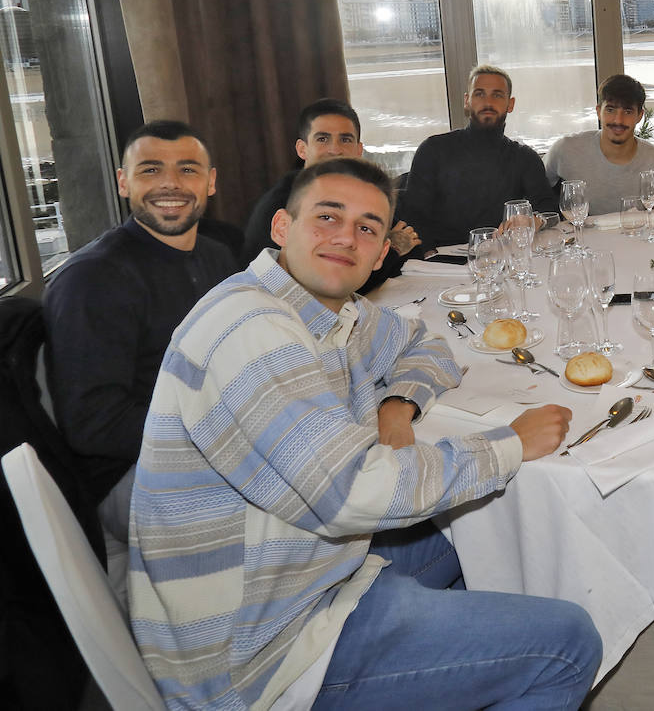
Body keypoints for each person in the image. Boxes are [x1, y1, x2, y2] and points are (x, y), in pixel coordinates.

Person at [127, 157, 600, 710]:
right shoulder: (252, 331)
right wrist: (510, 443)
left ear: (381, 253)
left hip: (307, 570)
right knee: (567, 642)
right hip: (259, 652)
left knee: (472, 531)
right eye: (327, 217)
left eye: (367, 228)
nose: (345, 237)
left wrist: (396, 408)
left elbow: (423, 344)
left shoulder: (326, 309)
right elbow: (355, 494)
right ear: (282, 228)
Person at [43, 120, 236, 543]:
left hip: (211, 444)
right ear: (123, 182)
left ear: (211, 183)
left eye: (188, 170)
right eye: (150, 170)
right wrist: (227, 435)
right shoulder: (92, 279)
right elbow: (94, 423)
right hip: (130, 474)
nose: (171, 184)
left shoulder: (218, 258)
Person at [240, 98, 420, 293]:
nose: (335, 149)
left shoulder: (357, 192)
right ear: (302, 149)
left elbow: (413, 243)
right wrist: (393, 250)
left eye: (345, 139)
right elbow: (334, 283)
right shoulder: (285, 201)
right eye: (322, 139)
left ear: (359, 150)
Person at [399, 64, 557, 252]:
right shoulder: (433, 150)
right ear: (467, 101)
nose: (488, 102)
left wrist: (535, 220)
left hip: (503, 256)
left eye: (497, 95)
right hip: (440, 260)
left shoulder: (524, 157)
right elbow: (414, 216)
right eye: (479, 94)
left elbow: (550, 210)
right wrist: (429, 253)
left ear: (510, 104)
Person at [544, 73, 654, 215]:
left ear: (640, 116)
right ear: (598, 112)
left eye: (628, 111)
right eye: (610, 110)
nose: (618, 120)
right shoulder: (566, 150)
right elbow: (536, 199)